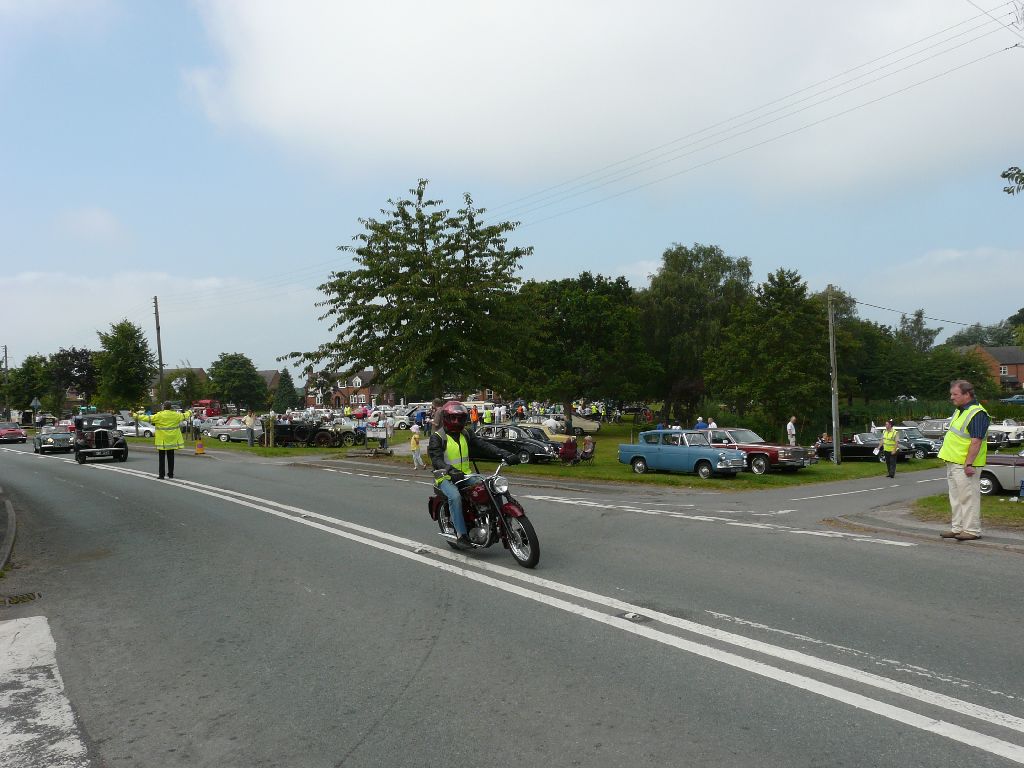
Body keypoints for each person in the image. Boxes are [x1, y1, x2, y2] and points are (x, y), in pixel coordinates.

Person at [428, 401, 519, 547]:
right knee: (455, 497)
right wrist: (449, 469)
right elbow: (436, 458)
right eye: (453, 418)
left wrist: (505, 454)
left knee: (492, 485)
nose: (457, 421)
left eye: (460, 418)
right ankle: (461, 534)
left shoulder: (466, 433)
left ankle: (498, 520)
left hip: (465, 475)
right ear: (446, 418)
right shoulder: (438, 437)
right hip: (445, 477)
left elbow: (484, 445)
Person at [938, 379, 989, 541]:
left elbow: (976, 441)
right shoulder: (960, 410)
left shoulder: (977, 413)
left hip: (965, 464)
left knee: (968, 497)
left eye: (955, 394)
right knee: (956, 497)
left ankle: (972, 530)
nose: (952, 397)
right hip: (954, 462)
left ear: (967, 394)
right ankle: (958, 528)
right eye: (951, 394)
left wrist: (968, 463)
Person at [132, 402, 192, 480]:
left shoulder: (159, 415)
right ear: (171, 407)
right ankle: (170, 474)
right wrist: (190, 411)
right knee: (171, 457)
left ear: (163, 407)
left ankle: (161, 475)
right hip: (172, 440)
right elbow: (185, 415)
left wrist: (134, 415)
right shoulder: (176, 415)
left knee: (161, 458)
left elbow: (147, 418)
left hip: (162, 440)